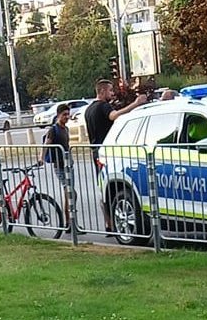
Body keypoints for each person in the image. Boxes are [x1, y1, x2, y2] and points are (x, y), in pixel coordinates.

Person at [84, 78, 147, 231]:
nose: (112, 94)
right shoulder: (102, 106)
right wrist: (135, 104)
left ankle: (108, 223)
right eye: (110, 91)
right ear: (102, 91)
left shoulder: (88, 110)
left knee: (103, 188)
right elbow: (114, 116)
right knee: (112, 187)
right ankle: (113, 222)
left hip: (96, 152)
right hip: (107, 152)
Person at [39, 103, 79, 233]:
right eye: (64, 115)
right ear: (58, 115)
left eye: (68, 114)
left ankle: (70, 222)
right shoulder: (53, 129)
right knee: (70, 192)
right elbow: (47, 144)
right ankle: (69, 223)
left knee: (71, 194)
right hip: (60, 166)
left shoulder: (65, 129)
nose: (67, 117)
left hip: (68, 165)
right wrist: (41, 158)